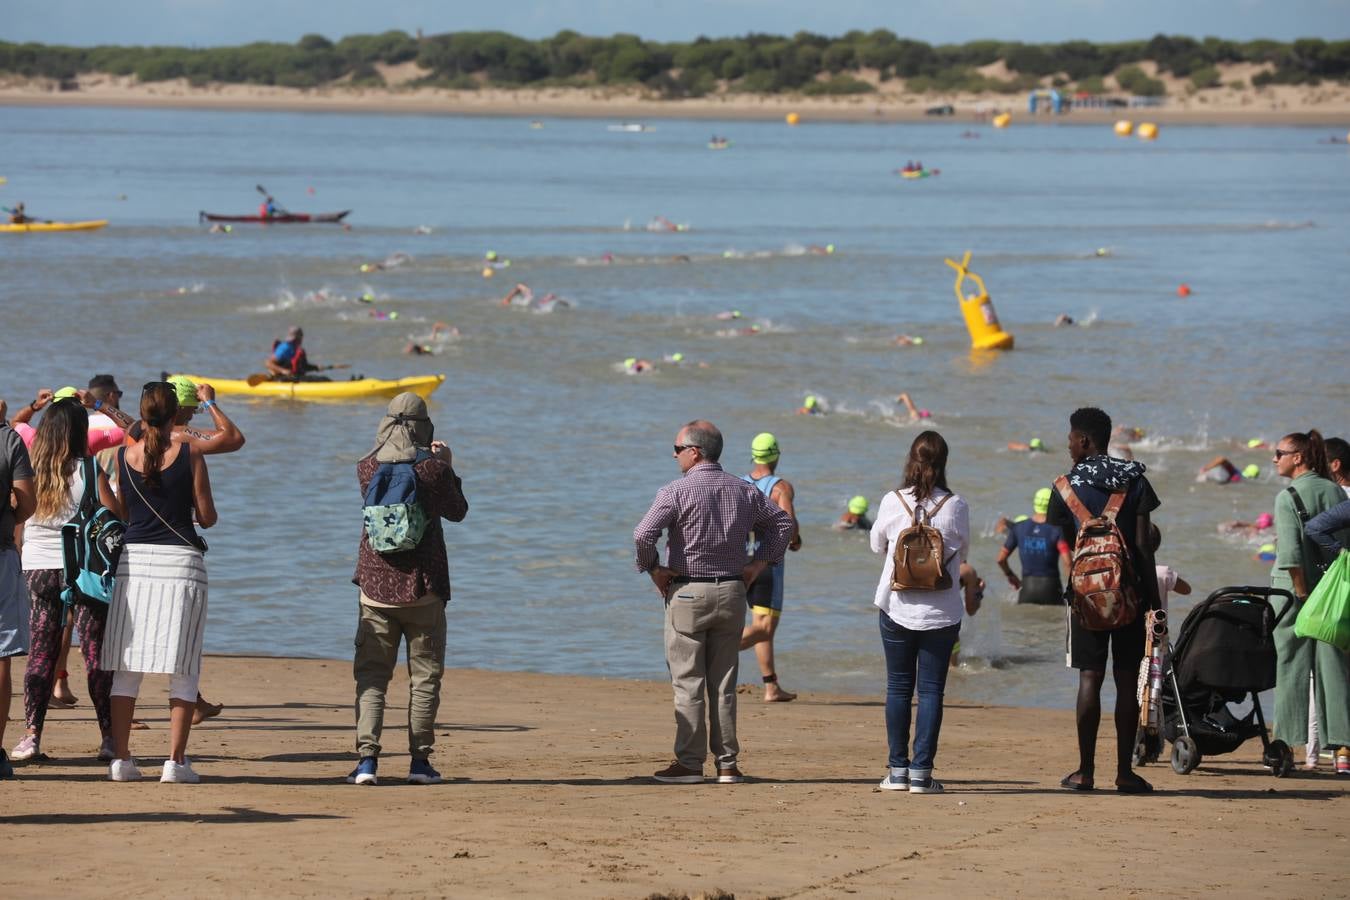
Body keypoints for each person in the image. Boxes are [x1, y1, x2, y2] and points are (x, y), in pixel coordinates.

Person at [633, 420, 793, 785]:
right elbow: (782, 525)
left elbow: (643, 534)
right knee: (723, 682)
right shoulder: (744, 490)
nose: (673, 456)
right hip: (732, 592)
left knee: (688, 681)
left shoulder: (675, 491)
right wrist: (759, 563)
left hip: (688, 592)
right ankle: (726, 764)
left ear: (695, 451)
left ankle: (690, 763)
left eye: (677, 449)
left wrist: (653, 568)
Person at [349, 393, 467, 786]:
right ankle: (419, 763)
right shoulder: (431, 470)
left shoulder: (366, 467)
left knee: (371, 678)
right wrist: (448, 467)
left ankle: (367, 761)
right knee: (425, 679)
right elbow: (458, 511)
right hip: (424, 588)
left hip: (374, 588)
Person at [101, 382, 217, 783]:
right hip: (181, 563)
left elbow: (120, 509)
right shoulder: (191, 453)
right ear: (176, 415)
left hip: (134, 563)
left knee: (126, 665)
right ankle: (175, 762)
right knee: (182, 665)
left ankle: (122, 760)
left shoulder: (122, 455)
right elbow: (208, 515)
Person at [1046, 407, 1161, 794]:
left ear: (1084, 441)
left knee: (1090, 678)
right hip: (1129, 595)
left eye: (1070, 438)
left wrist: (1075, 586)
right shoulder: (1134, 480)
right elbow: (1144, 547)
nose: (1068, 444)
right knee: (1127, 681)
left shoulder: (1063, 486)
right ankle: (1125, 774)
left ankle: (1085, 772)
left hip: (1084, 600)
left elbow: (1063, 544)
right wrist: (1153, 601)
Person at [10, 399, 120, 765]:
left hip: (38, 570)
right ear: (77, 433)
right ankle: (109, 738)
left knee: (40, 654)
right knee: (95, 656)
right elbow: (113, 517)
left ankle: (30, 736)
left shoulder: (31, 470)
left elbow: (19, 525)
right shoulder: (89, 469)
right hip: (83, 571)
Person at [870, 431, 969, 794]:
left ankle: (897, 771)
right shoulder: (956, 505)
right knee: (931, 692)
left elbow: (876, 544)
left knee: (897, 687)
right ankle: (921, 774)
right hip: (942, 610)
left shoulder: (892, 500)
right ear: (944, 463)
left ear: (910, 460)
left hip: (897, 605)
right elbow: (962, 553)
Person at [1268, 430, 1350, 775]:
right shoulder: (1335, 491)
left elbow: (1289, 557)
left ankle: (1286, 744)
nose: (1274, 459)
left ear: (1298, 457)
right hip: (1333, 590)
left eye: (1279, 453)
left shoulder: (1287, 496)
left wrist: (1301, 596)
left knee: (1291, 666)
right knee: (1335, 667)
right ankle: (1343, 749)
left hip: (1294, 592)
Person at [738, 433, 802, 703]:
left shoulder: (738, 484)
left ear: (754, 455)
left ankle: (770, 686)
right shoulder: (780, 487)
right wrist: (796, 540)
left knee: (759, 624)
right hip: (767, 565)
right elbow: (788, 525)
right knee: (764, 628)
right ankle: (711, 651)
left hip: (739, 562)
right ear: (775, 455)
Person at [0, 414, 35, 779]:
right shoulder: (10, 441)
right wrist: (10, 514)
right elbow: (28, 503)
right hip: (0, 551)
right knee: (1, 656)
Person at [997, 487, 1070, 605]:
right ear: (1053, 505)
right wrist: (1073, 589)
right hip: (1051, 589)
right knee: (1055, 623)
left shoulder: (1019, 527)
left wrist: (1010, 575)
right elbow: (1067, 562)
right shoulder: (1057, 530)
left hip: (1026, 589)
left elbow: (1000, 559)